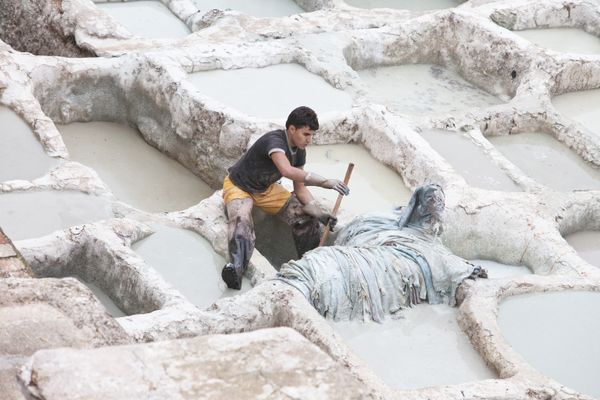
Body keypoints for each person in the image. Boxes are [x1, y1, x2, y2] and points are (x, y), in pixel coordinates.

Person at [277, 184, 487, 322]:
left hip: (345, 260)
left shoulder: (383, 219)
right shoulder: (387, 224)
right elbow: (455, 269)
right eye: (432, 205)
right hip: (347, 263)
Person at [221, 106, 350, 290]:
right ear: (292, 129)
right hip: (239, 186)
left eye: (312, 135)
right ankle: (236, 269)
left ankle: (311, 264)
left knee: (304, 216)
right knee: (242, 221)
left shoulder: (299, 151)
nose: (309, 140)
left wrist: (319, 214)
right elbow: (286, 170)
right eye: (306, 134)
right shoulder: (275, 141)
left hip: (266, 190)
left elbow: (300, 188)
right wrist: (325, 182)